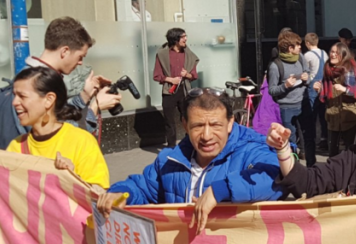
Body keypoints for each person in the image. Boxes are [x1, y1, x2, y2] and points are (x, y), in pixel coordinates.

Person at [98, 89, 283, 232]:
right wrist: (121, 194)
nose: (207, 136)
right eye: (198, 126)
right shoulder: (169, 160)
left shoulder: (252, 150)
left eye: (215, 125)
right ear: (185, 125)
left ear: (230, 123)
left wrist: (219, 190)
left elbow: (275, 176)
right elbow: (142, 187)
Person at [0, 17, 121, 149]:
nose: (80, 63)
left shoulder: (30, 76)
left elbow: (54, 116)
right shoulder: (37, 85)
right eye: (80, 57)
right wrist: (95, 107)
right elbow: (61, 139)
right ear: (65, 51)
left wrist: (84, 96)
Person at [0, 67, 110, 188]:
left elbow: (99, 197)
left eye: (22, 96)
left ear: (48, 100)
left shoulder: (82, 141)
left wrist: (71, 178)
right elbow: (3, 192)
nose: (14, 102)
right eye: (14, 95)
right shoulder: (16, 147)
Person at [268, 31, 314, 165]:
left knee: (309, 136)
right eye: (298, 45)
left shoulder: (300, 57)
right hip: (287, 107)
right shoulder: (275, 66)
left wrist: (306, 78)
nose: (301, 47)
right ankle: (295, 168)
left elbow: (308, 72)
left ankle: (312, 167)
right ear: (290, 48)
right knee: (291, 140)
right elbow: (272, 90)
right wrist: (286, 86)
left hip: (304, 103)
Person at [315, 43, 356, 156]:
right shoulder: (327, 69)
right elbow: (327, 94)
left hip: (350, 117)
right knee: (333, 153)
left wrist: (345, 90)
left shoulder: (351, 69)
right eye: (332, 52)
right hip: (333, 117)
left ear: (343, 55)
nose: (332, 55)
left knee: (352, 152)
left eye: (336, 53)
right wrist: (319, 89)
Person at [153, 28, 200, 147]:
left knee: (187, 118)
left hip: (184, 90)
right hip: (169, 91)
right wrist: (170, 79)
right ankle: (171, 147)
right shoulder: (162, 54)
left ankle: (189, 143)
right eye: (183, 36)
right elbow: (157, 75)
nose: (186, 39)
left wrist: (187, 75)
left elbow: (194, 76)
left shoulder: (189, 55)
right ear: (175, 39)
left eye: (186, 36)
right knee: (169, 121)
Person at [303, 33, 329, 152]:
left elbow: (305, 72)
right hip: (323, 87)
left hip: (312, 88)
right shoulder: (325, 54)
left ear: (307, 43)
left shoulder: (307, 55)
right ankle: (324, 139)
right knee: (323, 115)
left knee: (311, 115)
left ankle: (312, 139)